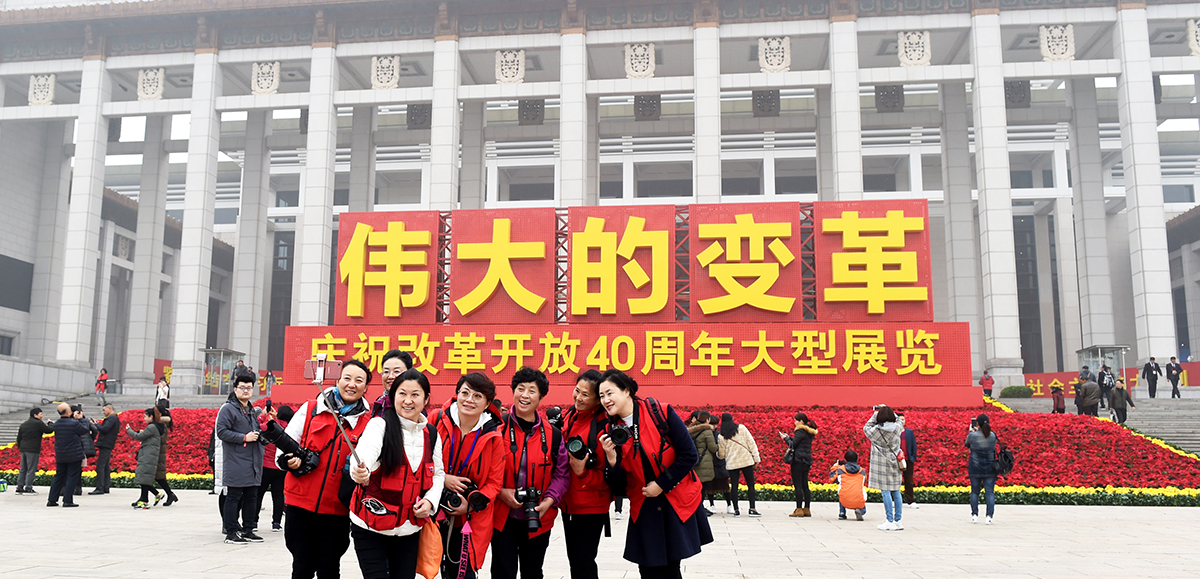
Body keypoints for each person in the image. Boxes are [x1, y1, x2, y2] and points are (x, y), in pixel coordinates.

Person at [597, 369, 712, 579]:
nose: (605, 400)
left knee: (670, 568)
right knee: (648, 569)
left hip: (673, 501)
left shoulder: (660, 412)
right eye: (601, 396)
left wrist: (661, 485)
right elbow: (619, 486)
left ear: (626, 390)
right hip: (644, 508)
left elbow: (689, 455)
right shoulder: (611, 430)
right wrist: (612, 460)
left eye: (609, 393)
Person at [347, 369, 445, 579]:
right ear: (393, 396)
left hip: (409, 530)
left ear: (426, 398)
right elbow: (365, 454)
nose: (408, 401)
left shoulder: (432, 434)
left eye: (415, 394)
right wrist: (360, 471)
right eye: (402, 393)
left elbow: (438, 474)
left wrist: (430, 502)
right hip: (370, 527)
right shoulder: (379, 425)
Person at [278, 359, 373, 576]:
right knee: (301, 564)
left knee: (329, 566)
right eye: (347, 378)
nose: (352, 384)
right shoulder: (311, 409)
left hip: (337, 509)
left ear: (366, 387)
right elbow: (283, 447)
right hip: (300, 503)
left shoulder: (368, 423)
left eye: (359, 380)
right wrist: (288, 461)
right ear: (338, 380)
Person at [491, 367, 569, 579]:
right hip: (502, 516)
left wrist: (549, 501)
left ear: (541, 397)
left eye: (532, 391)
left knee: (533, 572)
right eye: (520, 389)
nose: (524, 395)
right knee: (502, 572)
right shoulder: (496, 428)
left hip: (538, 517)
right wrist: (501, 492)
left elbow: (562, 474)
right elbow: (484, 470)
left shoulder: (553, 435)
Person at [429, 372, 505, 579]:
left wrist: (470, 505)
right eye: (465, 393)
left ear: (487, 403)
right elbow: (420, 461)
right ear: (457, 394)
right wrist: (443, 479)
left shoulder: (493, 436)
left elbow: (494, 482)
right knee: (432, 568)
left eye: (478, 396)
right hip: (434, 511)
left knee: (464, 573)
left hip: (471, 518)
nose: (469, 400)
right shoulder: (437, 419)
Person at [560, 369, 614, 579]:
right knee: (574, 560)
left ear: (598, 399)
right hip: (568, 503)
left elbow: (610, 475)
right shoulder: (571, 416)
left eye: (585, 395)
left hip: (591, 506)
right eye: (577, 391)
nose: (578, 398)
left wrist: (582, 473)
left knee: (584, 561)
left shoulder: (604, 427)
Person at [216, 370, 266, 544]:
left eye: (249, 388)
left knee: (252, 496)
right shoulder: (228, 409)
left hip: (253, 460)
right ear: (235, 389)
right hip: (236, 460)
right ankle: (231, 533)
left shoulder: (251, 410)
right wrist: (244, 437)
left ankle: (248, 530)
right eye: (242, 388)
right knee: (234, 496)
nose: (246, 391)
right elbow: (222, 432)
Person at [863, 406, 903, 530]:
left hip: (881, 465)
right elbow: (899, 420)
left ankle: (889, 520)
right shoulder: (897, 428)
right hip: (895, 463)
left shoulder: (875, 431)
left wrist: (876, 413)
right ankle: (898, 520)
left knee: (886, 492)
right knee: (896, 491)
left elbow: (866, 427)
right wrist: (888, 410)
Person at [716, 412, 761, 517]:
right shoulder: (742, 428)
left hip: (732, 464)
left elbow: (721, 454)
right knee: (750, 485)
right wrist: (756, 458)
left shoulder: (721, 435)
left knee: (734, 486)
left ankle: (736, 510)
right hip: (746, 461)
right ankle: (752, 509)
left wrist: (717, 454)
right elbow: (751, 443)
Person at [256, 404, 293, 532]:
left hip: (266, 466)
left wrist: (263, 415)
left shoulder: (270, 425)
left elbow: (255, 427)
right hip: (281, 468)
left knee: (259, 494)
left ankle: (254, 521)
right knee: (278, 496)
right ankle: (276, 523)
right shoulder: (291, 429)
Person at [46, 403, 89, 507]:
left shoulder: (57, 424)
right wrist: (81, 419)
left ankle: (52, 499)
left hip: (61, 455)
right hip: (74, 454)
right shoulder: (74, 423)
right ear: (68, 412)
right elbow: (84, 430)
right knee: (72, 477)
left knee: (59, 477)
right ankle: (67, 500)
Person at [127, 407, 166, 509]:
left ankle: (144, 501)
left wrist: (129, 430)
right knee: (144, 477)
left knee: (144, 478)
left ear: (151, 416)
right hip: (148, 455)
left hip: (148, 456)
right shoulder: (154, 427)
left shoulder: (152, 427)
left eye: (145, 416)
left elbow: (138, 437)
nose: (144, 418)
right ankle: (147, 497)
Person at [780, 412, 817, 517]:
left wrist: (785, 439)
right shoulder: (809, 431)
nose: (795, 422)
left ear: (801, 421)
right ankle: (807, 509)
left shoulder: (800, 430)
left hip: (798, 461)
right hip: (806, 460)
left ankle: (799, 509)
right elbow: (799, 442)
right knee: (805, 485)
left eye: (796, 420)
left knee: (798, 485)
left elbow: (793, 445)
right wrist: (789, 437)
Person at [966, 414, 998, 524]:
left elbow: (967, 444)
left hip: (975, 467)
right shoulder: (993, 435)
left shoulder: (972, 436)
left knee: (975, 492)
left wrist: (971, 431)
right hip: (990, 468)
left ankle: (975, 515)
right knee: (990, 493)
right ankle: (989, 517)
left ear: (977, 424)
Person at [15, 407, 53, 494]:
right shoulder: (38, 423)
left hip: (23, 449)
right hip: (32, 449)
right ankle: (28, 487)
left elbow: (19, 438)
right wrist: (50, 423)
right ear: (35, 415)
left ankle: (19, 487)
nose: (42, 416)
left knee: (23, 469)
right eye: (40, 414)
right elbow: (49, 430)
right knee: (31, 469)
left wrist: (21, 447)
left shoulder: (24, 424)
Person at [687, 411, 717, 517]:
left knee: (695, 488)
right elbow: (713, 448)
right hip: (703, 462)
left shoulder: (690, 429)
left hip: (693, 461)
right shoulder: (707, 431)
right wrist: (720, 446)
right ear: (707, 420)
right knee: (702, 488)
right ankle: (699, 508)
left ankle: (696, 507)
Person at [371, 349, 413, 418]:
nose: (390, 376)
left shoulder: (413, 404)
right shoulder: (380, 403)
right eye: (386, 371)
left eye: (396, 371)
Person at [89, 403, 120, 495]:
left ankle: (100, 487)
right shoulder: (113, 418)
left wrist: (97, 425)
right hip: (107, 444)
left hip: (106, 444)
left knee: (101, 466)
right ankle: (105, 487)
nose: (103, 412)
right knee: (105, 466)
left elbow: (105, 429)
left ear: (109, 408)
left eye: (104, 410)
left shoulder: (112, 418)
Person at [829, 450, 866, 521]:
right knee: (860, 490)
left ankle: (842, 513)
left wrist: (835, 466)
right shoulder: (862, 471)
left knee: (842, 490)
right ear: (857, 459)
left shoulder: (840, 470)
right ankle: (861, 511)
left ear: (845, 460)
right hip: (859, 498)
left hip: (844, 499)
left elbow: (832, 479)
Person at [154, 407, 180, 506]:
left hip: (158, 453)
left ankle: (168, 494)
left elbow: (159, 439)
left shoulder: (161, 425)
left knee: (157, 476)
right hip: (158, 452)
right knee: (157, 477)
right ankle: (169, 494)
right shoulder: (161, 424)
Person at [703, 413, 728, 513]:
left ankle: (729, 504)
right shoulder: (705, 434)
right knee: (710, 486)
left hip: (719, 463)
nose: (714, 427)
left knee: (725, 485)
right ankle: (712, 504)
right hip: (709, 462)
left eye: (716, 424)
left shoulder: (719, 435)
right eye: (712, 424)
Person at [897, 411, 918, 509]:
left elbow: (913, 445)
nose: (902, 421)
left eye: (903, 419)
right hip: (896, 460)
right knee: (895, 481)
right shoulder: (893, 432)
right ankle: (895, 500)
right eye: (900, 419)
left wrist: (913, 457)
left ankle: (910, 501)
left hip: (908, 460)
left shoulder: (909, 432)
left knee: (909, 481)